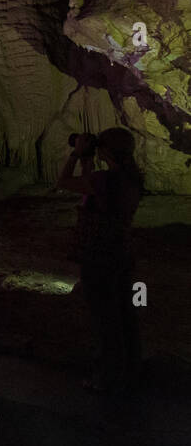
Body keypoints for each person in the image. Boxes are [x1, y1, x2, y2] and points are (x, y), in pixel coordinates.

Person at [56, 127, 144, 394]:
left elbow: (64, 182)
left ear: (106, 151)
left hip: (99, 256)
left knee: (104, 319)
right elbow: (95, 193)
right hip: (121, 253)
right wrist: (89, 164)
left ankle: (107, 379)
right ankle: (131, 370)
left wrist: (77, 154)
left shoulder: (106, 180)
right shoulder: (132, 178)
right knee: (123, 315)